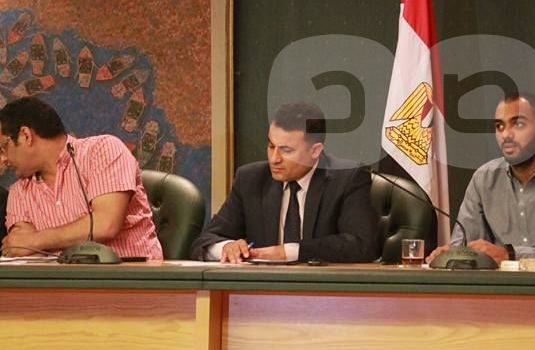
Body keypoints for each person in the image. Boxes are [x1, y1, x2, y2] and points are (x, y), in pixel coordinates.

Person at [190, 101, 378, 263]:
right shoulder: (250, 179)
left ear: (315, 151)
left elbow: (361, 246)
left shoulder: (348, 178)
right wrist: (226, 247)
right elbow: (204, 241)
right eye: (271, 146)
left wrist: (289, 252)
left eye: (286, 150)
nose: (274, 159)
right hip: (261, 289)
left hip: (326, 290)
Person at [426, 92, 535, 266]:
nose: (506, 134)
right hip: (499, 283)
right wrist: (451, 254)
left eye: (518, 124)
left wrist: (511, 254)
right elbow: (464, 245)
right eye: (499, 126)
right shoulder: (483, 179)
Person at [0, 96, 163, 259]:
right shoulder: (18, 191)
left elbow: (106, 224)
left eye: (2, 148)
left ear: (26, 136)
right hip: (63, 275)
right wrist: (30, 243)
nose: (2, 159)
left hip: (132, 272)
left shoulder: (103, 150)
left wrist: (36, 240)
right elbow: (20, 246)